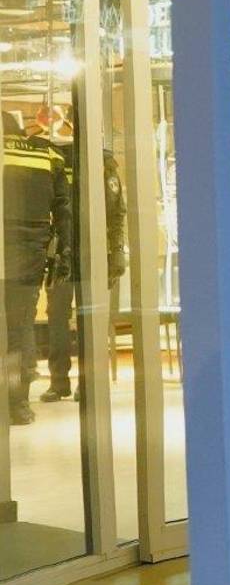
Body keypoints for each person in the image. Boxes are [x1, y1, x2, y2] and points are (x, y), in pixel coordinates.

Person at [42, 111, 129, 403]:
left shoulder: (103, 163)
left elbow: (117, 211)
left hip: (94, 251)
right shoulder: (55, 157)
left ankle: (88, 381)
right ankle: (58, 381)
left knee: (90, 319)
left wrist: (117, 251)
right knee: (56, 317)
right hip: (61, 252)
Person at [2, 109, 70, 425]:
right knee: (21, 328)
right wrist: (63, 255)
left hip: (15, 246)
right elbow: (64, 211)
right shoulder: (48, 153)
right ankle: (18, 404)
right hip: (30, 254)